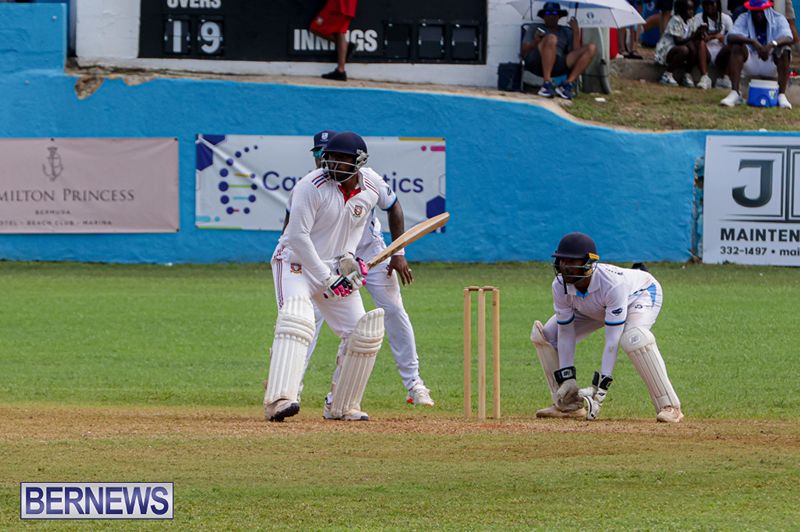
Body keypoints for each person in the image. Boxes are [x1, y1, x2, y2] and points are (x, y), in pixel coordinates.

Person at [292, 130, 435, 408]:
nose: (326, 161)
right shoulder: (311, 186)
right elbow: (296, 233)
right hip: (328, 259)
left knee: (394, 310)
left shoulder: (369, 180)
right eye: (322, 155)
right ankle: (293, 388)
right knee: (311, 320)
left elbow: (393, 206)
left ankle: (414, 383)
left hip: (371, 253)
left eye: (334, 156)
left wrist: (398, 253)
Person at [264, 131, 396, 422]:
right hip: (295, 264)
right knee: (297, 319)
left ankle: (341, 405)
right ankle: (279, 400)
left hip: (332, 269)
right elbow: (297, 236)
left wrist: (348, 258)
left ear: (359, 162)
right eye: (330, 157)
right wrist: (327, 277)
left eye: (342, 158)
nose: (334, 163)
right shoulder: (310, 187)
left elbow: (354, 228)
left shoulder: (370, 188)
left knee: (362, 332)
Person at [530, 232, 684, 423]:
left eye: (572, 261)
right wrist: (567, 376)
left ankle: (669, 405)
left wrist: (601, 387)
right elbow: (566, 332)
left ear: (589, 262)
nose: (565, 266)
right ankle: (568, 404)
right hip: (594, 305)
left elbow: (612, 340)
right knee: (545, 336)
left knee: (634, 339)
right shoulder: (559, 285)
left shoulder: (612, 284)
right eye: (562, 260)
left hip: (640, 295)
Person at [720, 0, 794, 108]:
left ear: (767, 9)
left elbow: (789, 37)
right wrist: (753, 42)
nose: (758, 14)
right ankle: (735, 93)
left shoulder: (779, 18)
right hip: (751, 61)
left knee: (785, 49)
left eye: (761, 11)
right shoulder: (744, 17)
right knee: (736, 47)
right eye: (755, 11)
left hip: (771, 62)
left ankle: (781, 95)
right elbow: (731, 36)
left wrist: (771, 45)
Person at [520, 2, 598, 100]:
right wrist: (536, 41)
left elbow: (576, 53)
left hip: (559, 62)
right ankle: (546, 84)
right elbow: (523, 50)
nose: (551, 16)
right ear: (543, 16)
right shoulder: (535, 28)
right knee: (551, 38)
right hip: (538, 61)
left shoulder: (566, 31)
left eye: (555, 13)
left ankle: (567, 84)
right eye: (548, 13)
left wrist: (576, 32)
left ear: (559, 17)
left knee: (591, 48)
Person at [690, 0, 735, 88]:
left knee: (733, 47)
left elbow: (732, 38)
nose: (708, 6)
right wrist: (702, 35)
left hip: (721, 54)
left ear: (717, 4)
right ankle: (705, 77)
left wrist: (722, 38)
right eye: (706, 4)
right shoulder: (698, 17)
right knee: (701, 43)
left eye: (711, 3)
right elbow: (693, 38)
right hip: (705, 53)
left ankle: (725, 78)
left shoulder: (726, 18)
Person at [310, 0, 358, 82]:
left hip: (339, 5)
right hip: (347, 6)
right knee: (339, 31)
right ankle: (341, 65)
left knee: (316, 27)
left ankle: (341, 69)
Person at [655, 0, 701, 86]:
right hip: (666, 50)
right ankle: (667, 74)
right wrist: (693, 37)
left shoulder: (691, 21)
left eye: (692, 9)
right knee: (684, 50)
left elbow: (691, 37)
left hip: (678, 48)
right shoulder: (676, 20)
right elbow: (678, 41)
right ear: (681, 10)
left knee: (693, 47)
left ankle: (687, 74)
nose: (692, 11)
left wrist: (699, 33)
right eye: (689, 9)